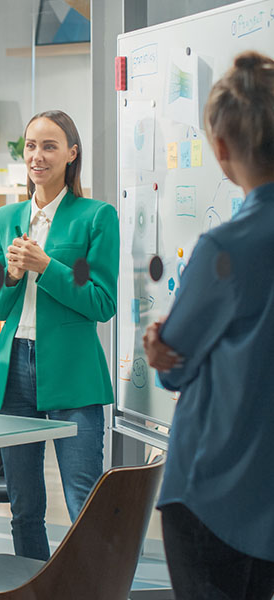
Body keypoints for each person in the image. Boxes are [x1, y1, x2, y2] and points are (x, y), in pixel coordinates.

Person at [143, 51, 274, 600]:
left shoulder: (226, 246)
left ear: (220, 151)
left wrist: (156, 344)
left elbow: (173, 362)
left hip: (215, 489)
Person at [0, 110, 119, 560]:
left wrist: (46, 267)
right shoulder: (5, 218)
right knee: (24, 506)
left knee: (83, 503)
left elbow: (102, 303)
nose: (38, 156)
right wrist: (13, 275)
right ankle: (30, 587)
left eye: (50, 146)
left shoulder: (97, 217)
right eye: (32, 146)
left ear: (72, 154)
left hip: (73, 373)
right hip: (14, 367)